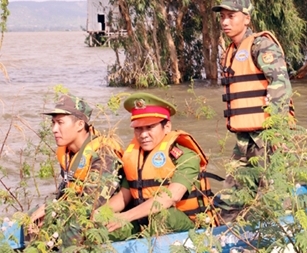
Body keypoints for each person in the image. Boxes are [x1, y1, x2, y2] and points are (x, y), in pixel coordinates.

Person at [212, 0, 294, 218]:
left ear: (246, 18)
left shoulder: (262, 46)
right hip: (244, 138)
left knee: (275, 197)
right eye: (222, 17)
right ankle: (230, 237)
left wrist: (276, 129)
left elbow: (281, 86)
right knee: (230, 198)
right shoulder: (230, 51)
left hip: (267, 136)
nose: (225, 22)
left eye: (231, 16)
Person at [102, 92, 218, 239]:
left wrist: (126, 216)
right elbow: (124, 196)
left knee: (161, 215)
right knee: (104, 229)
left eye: (149, 127)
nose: (143, 135)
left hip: (188, 225)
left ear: (167, 126)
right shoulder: (135, 157)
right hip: (143, 221)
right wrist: (101, 214)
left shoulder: (186, 156)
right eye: (138, 128)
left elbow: (171, 197)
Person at [29, 93, 123, 246]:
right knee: (31, 216)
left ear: (80, 125)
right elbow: (65, 190)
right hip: (74, 210)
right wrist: (47, 209)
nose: (54, 129)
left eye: (60, 123)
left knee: (71, 228)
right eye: (53, 123)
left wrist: (52, 210)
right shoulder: (69, 152)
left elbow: (90, 204)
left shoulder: (103, 154)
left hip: (104, 216)